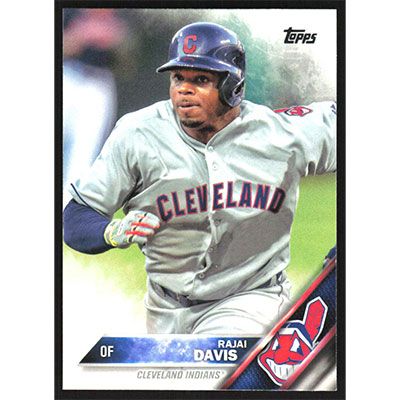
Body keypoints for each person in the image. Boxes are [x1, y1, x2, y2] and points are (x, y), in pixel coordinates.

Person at [63, 22, 336, 335]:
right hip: (164, 308)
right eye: (178, 77)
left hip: (251, 300)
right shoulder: (138, 133)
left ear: (233, 86)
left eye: (201, 79)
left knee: (219, 355)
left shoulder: (279, 134)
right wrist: (113, 231)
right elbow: (76, 217)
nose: (184, 89)